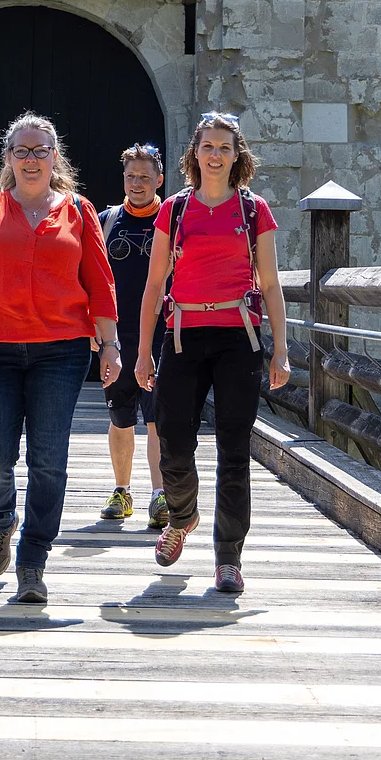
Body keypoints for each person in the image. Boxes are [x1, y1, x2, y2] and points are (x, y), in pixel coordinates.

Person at [0, 112, 119, 605]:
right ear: (9, 158)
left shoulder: (79, 211)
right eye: (22, 151)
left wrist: (111, 344)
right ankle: (1, 520)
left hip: (61, 350)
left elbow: (100, 283)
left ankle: (33, 559)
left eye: (40, 151)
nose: (31, 160)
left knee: (48, 459)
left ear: (55, 157)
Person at [135, 111, 289, 595]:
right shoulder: (175, 209)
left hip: (238, 338)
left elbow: (270, 284)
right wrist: (143, 352)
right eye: (208, 146)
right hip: (182, 335)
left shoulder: (254, 210)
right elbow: (154, 284)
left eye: (225, 147)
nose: (216, 155)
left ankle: (228, 558)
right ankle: (182, 516)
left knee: (234, 451)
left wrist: (281, 349)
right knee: (173, 440)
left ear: (237, 154)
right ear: (195, 154)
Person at [96, 144, 168, 528]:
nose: (136, 183)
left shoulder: (172, 220)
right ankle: (122, 491)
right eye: (130, 176)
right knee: (120, 416)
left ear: (160, 180)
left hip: (162, 334)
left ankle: (160, 496)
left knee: (158, 417)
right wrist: (94, 329)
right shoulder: (106, 221)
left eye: (144, 177)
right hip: (116, 336)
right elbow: (90, 278)